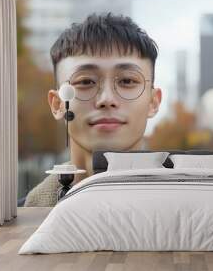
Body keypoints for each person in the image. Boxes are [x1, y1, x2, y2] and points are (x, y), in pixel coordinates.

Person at [24, 12, 162, 207]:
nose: (107, 99)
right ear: (57, 104)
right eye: (86, 81)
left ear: (153, 102)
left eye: (127, 81)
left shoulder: (183, 213)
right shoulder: (27, 215)